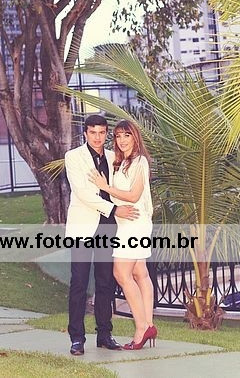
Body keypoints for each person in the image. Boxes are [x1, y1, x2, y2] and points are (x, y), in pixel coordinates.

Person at [65, 114, 139, 356]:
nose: (97, 137)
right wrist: (115, 209)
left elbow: (121, 188)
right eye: (93, 132)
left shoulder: (113, 157)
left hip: (108, 227)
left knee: (106, 282)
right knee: (79, 282)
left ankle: (105, 334)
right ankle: (77, 338)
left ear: (107, 134)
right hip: (82, 228)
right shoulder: (73, 157)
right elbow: (83, 193)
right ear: (85, 133)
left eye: (101, 132)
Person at [88, 119, 157, 350]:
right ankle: (149, 324)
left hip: (135, 222)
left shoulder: (140, 161)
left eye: (127, 135)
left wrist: (105, 186)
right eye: (118, 136)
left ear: (135, 137)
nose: (122, 140)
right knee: (140, 273)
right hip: (125, 223)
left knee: (121, 273)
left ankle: (141, 328)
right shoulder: (120, 162)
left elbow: (134, 195)